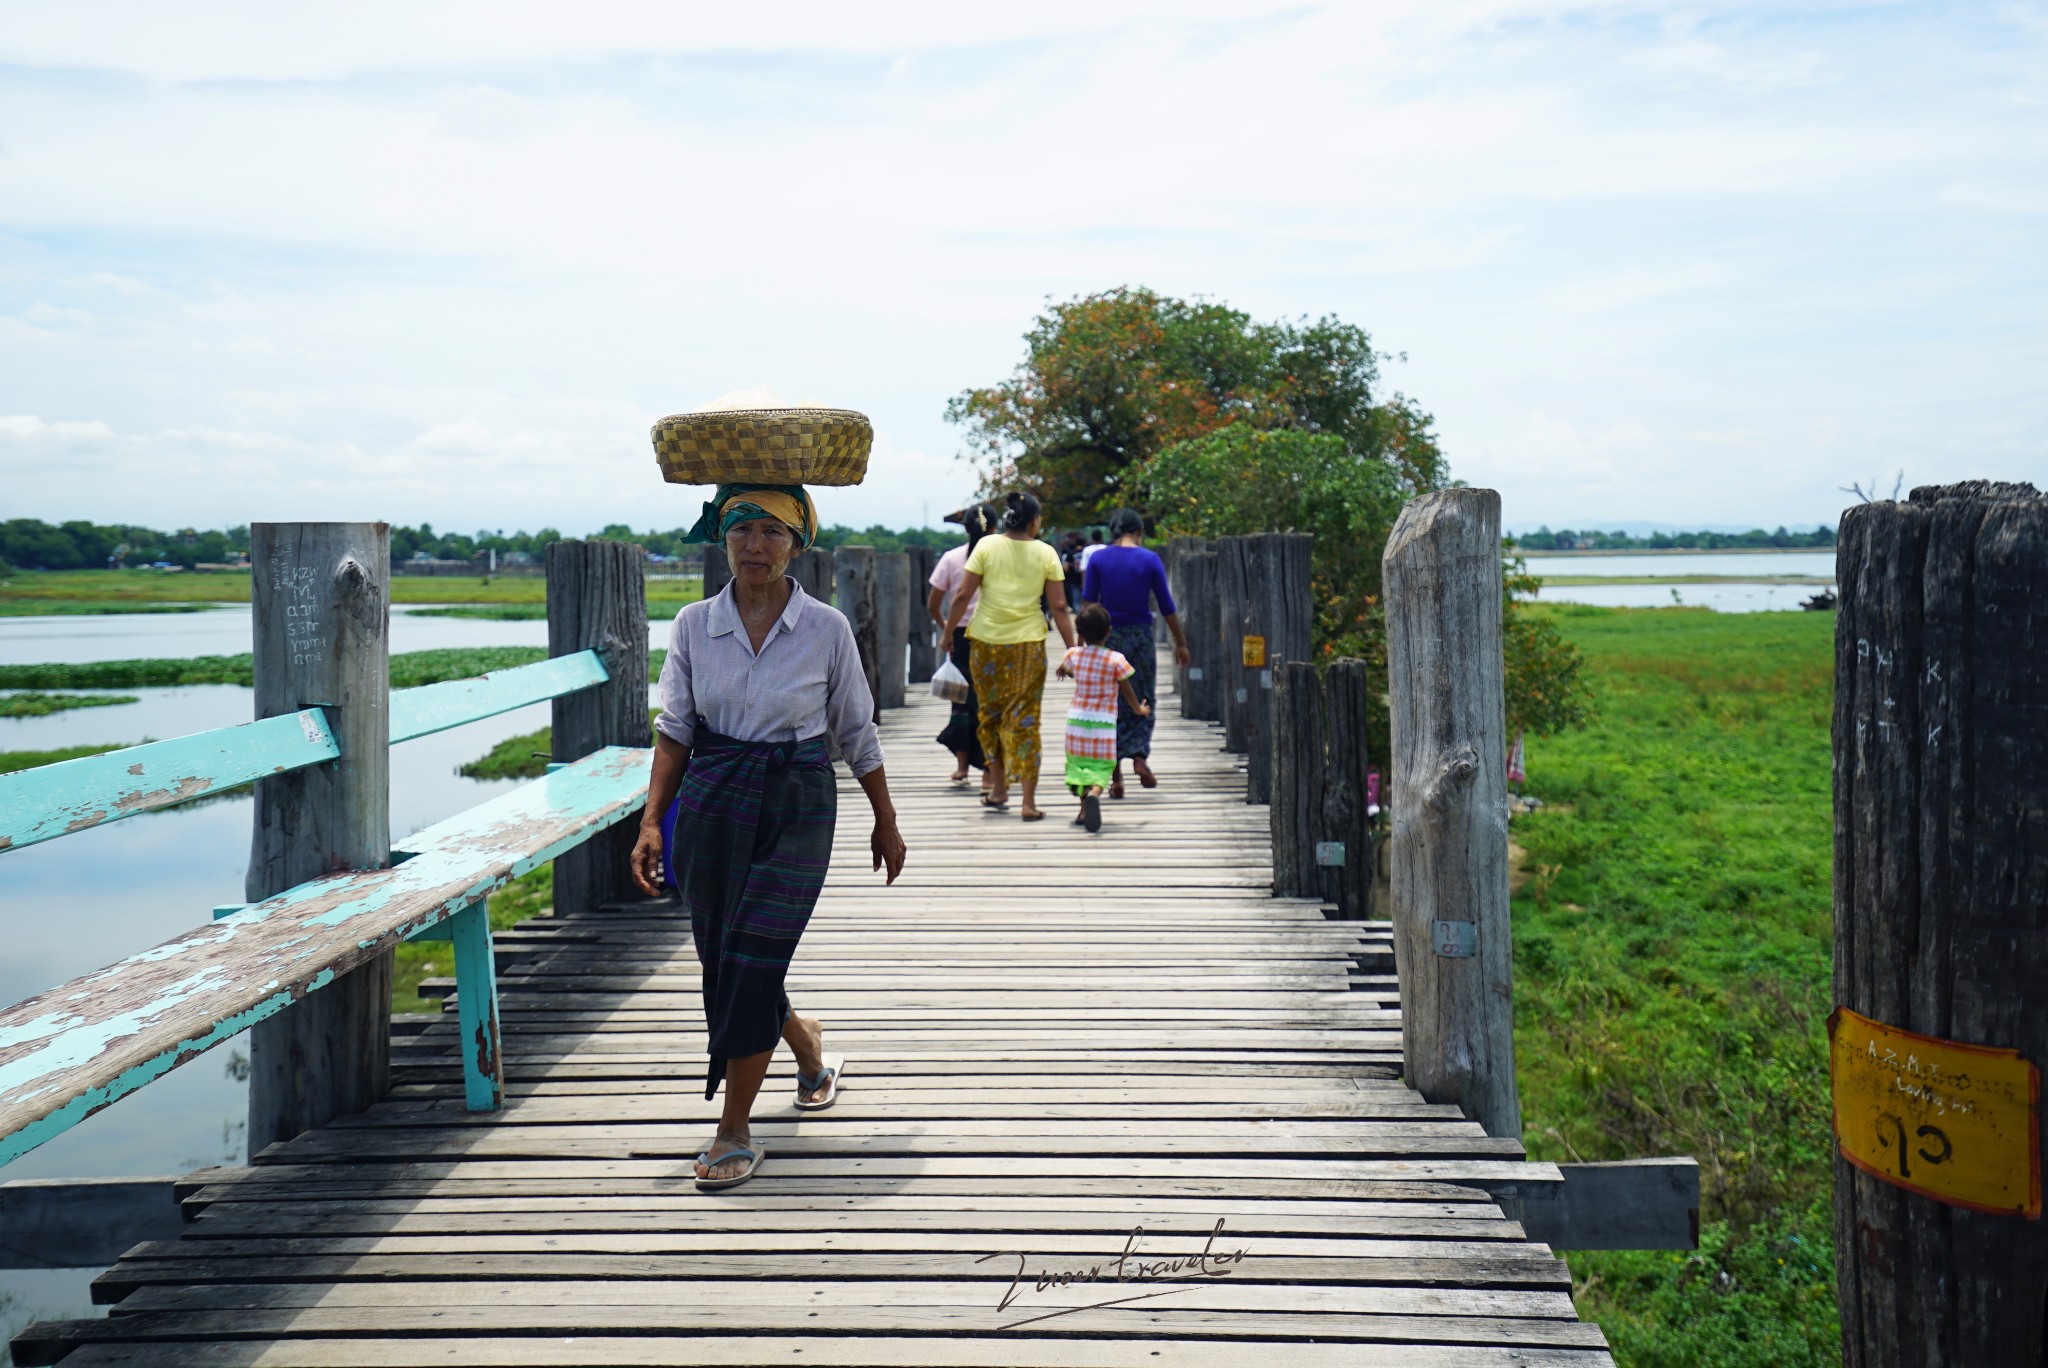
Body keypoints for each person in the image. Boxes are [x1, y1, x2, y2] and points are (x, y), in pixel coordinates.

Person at [630, 481, 908, 1191]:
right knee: (728, 958)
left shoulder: (827, 629)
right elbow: (675, 732)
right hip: (714, 800)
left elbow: (855, 729)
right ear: (722, 541)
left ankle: (734, 1129)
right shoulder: (694, 624)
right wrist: (653, 820)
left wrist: (886, 817)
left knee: (754, 954)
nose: (756, 546)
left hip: (797, 798)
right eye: (742, 530)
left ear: (798, 545)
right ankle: (804, 1044)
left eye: (774, 532)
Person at [938, 490, 1076, 822]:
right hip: (1028, 644)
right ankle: (1028, 802)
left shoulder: (986, 546)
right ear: (1034, 521)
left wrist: (947, 632)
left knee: (990, 714)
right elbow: (1058, 606)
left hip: (985, 642)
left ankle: (999, 789)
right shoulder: (1046, 552)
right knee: (1025, 720)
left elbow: (962, 594)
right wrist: (1072, 648)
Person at [1080, 508, 1191, 798]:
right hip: (1141, 636)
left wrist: (1083, 643)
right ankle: (1140, 757)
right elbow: (1167, 605)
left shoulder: (1099, 559)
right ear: (1139, 531)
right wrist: (1180, 642)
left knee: (1110, 700)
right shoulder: (1149, 559)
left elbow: (1089, 604)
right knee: (1142, 695)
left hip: (1108, 636)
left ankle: (1115, 778)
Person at [1057, 601, 1151, 833]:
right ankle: (1096, 793)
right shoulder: (1115, 660)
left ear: (1081, 633)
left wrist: (1075, 650)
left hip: (1077, 722)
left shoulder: (1074, 655)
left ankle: (1083, 809)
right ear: (1109, 632)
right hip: (1103, 723)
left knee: (1079, 764)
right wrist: (1138, 709)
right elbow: (1128, 690)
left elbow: (1066, 668)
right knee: (1101, 764)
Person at [926, 504, 996, 789]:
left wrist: (947, 630)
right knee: (989, 702)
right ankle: (991, 771)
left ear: (965, 528)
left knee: (961, 701)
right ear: (994, 528)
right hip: (994, 635)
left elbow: (933, 605)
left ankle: (963, 766)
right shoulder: (1000, 558)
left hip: (961, 635)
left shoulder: (951, 558)